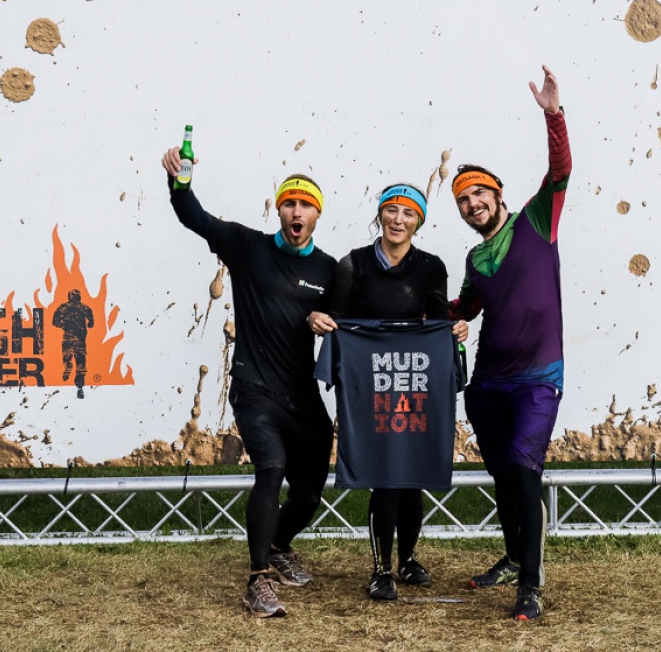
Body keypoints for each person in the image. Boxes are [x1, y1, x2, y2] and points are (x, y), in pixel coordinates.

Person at [162, 146, 336, 619]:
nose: (296, 212)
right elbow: (194, 216)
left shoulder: (328, 269)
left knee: (309, 492)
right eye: (289, 203)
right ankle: (258, 578)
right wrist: (179, 182)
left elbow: (354, 319)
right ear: (279, 210)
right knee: (271, 469)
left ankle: (278, 546)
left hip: (302, 394)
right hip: (254, 387)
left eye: (305, 205)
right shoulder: (247, 246)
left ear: (317, 214)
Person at [306, 184, 467, 602]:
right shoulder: (353, 265)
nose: (398, 219)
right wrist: (317, 319)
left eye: (408, 213)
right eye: (391, 210)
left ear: (418, 222)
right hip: (372, 385)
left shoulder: (431, 266)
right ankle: (381, 570)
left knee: (412, 475)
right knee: (385, 477)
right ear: (380, 215)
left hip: (414, 382)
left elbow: (439, 322)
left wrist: (455, 331)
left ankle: (409, 559)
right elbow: (336, 322)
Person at [449, 65, 570, 622]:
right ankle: (513, 554)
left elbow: (560, 170)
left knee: (525, 471)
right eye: (464, 201)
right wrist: (408, 308)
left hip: (538, 379)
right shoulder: (475, 259)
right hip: (487, 383)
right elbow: (463, 308)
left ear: (497, 196)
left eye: (480, 194)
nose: (473, 204)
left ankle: (530, 583)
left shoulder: (536, 221)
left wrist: (553, 115)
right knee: (502, 475)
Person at [52, 289, 94, 399]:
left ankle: (68, 367)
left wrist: (63, 325)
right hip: (79, 339)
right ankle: (79, 386)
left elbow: (55, 321)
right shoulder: (84, 307)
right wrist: (88, 324)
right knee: (80, 362)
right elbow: (91, 321)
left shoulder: (63, 307)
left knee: (67, 356)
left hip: (69, 338)